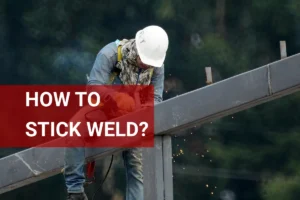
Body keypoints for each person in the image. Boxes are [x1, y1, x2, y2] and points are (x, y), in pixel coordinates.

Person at [63, 25, 169, 200]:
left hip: (135, 118)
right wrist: (116, 98)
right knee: (74, 129)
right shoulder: (110, 54)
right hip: (104, 110)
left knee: (137, 164)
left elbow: (156, 100)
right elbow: (94, 88)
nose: (146, 64)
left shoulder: (157, 66)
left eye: (150, 63)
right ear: (137, 46)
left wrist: (142, 113)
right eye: (144, 60)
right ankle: (75, 190)